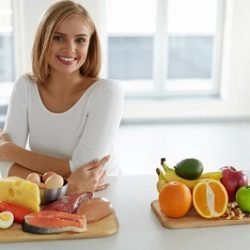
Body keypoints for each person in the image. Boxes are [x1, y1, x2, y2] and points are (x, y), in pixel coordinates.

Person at [0, 0, 123, 194]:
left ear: (89, 45)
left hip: (99, 194)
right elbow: (4, 167)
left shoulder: (106, 92)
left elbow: (82, 168)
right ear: (44, 40)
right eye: (58, 38)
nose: (70, 48)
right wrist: (64, 186)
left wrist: (9, 150)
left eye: (80, 40)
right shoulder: (25, 86)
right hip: (47, 195)